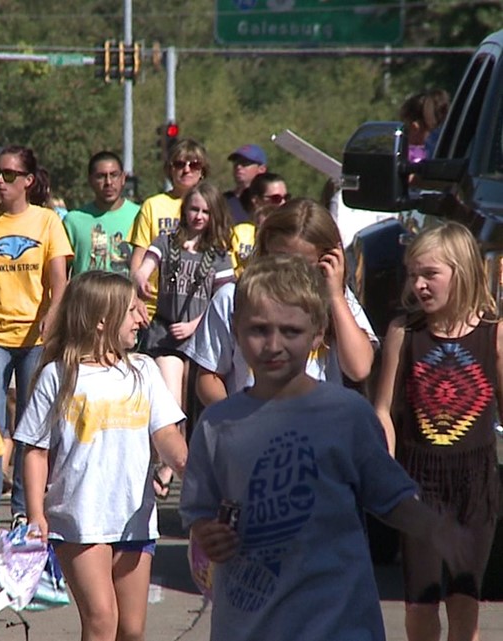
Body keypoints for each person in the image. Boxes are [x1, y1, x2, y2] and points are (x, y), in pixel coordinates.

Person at [179, 254, 466, 641]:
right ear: (235, 330)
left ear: (317, 334)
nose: (273, 344)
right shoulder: (217, 424)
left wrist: (438, 530)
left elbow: (390, 495)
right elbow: (199, 509)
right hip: (250, 624)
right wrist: (207, 532)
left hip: (339, 621)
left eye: (290, 331)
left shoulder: (347, 415)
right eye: (258, 330)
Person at [18, 270, 187, 641]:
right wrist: (34, 514)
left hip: (134, 517)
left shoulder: (143, 370)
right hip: (79, 518)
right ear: (100, 321)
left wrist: (187, 465)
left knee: (131, 630)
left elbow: (166, 433)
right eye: (131, 311)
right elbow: (35, 449)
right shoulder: (58, 375)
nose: (141, 318)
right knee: (101, 621)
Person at [373, 223, 499, 641]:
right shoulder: (404, 333)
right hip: (419, 482)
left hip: (475, 483)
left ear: (460, 271)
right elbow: (384, 411)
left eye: (430, 274)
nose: (419, 284)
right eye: (413, 274)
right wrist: (387, 473)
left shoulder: (493, 335)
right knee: (420, 605)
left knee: (465, 603)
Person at [0, 145, 73, 528]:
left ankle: (23, 505)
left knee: (30, 422)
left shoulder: (47, 221)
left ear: (27, 181)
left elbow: (60, 282)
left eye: (8, 175)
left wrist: (52, 319)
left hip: (35, 339)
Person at [183, 199, 378, 406]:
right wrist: (236, 419)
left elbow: (359, 368)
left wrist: (336, 296)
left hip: (320, 426)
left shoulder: (335, 297)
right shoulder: (232, 297)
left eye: (303, 264)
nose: (289, 272)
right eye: (282, 258)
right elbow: (208, 378)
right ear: (266, 247)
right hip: (256, 424)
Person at [133, 182, 234, 497]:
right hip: (166, 334)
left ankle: (186, 468)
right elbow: (143, 267)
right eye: (194, 209)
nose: (199, 216)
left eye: (205, 211)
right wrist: (139, 278)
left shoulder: (217, 255)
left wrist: (194, 325)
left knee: (199, 406)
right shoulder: (167, 242)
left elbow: (224, 298)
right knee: (170, 403)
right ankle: (165, 466)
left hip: (200, 334)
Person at [128, 139, 209, 322]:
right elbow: (137, 260)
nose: (186, 170)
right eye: (179, 164)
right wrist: (136, 297)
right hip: (152, 308)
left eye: (194, 165)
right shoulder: (152, 205)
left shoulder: (211, 206)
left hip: (196, 308)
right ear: (170, 169)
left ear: (202, 171)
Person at [64, 151, 140, 276]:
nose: (108, 182)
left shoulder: (141, 215)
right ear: (90, 180)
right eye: (101, 176)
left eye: (114, 175)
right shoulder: (73, 221)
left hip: (127, 294)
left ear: (123, 178)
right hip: (85, 294)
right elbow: (61, 272)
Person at [230, 172, 287, 272]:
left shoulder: (291, 236)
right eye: (276, 198)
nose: (283, 203)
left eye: (286, 197)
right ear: (256, 201)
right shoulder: (239, 233)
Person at [400, 89, 451, 164]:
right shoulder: (451, 144)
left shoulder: (418, 153)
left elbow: (414, 168)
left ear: (415, 127)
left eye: (406, 129)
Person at [224, 144, 268, 225]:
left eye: (245, 163)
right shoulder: (223, 201)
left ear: (261, 169)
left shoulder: (269, 201)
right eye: (236, 163)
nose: (238, 167)